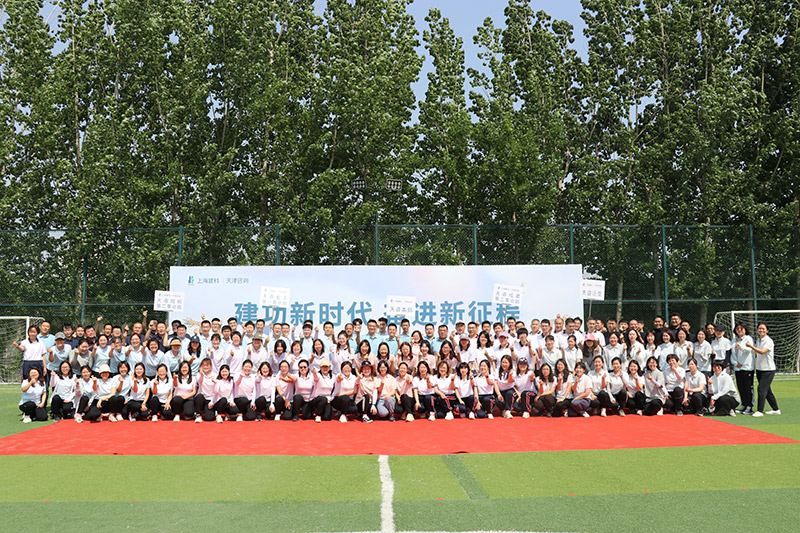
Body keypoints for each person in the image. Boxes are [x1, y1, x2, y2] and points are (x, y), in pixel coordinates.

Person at [748, 323, 781, 417]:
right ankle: (776, 409)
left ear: (767, 330)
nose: (761, 330)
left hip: (768, 369)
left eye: (763, 329)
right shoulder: (758, 340)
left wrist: (751, 346)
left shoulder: (768, 341)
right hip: (760, 369)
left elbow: (762, 352)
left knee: (761, 389)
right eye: (759, 328)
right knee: (767, 391)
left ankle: (760, 410)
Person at [731, 323, 755, 414]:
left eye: (741, 328)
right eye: (738, 328)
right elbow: (732, 353)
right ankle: (744, 404)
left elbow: (749, 349)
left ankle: (749, 406)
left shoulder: (748, 338)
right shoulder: (733, 340)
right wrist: (735, 363)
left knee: (748, 388)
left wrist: (740, 347)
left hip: (747, 367)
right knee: (740, 387)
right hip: (737, 368)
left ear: (745, 330)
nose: (739, 330)